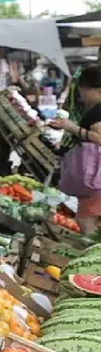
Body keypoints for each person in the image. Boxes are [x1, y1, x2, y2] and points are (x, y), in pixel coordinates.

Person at [49, 66, 101, 235]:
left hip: (95, 180)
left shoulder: (97, 111)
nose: (81, 96)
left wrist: (72, 128)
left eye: (83, 91)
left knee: (87, 222)